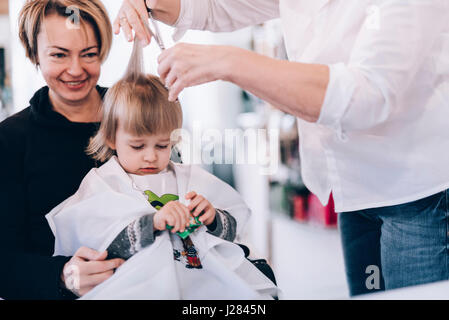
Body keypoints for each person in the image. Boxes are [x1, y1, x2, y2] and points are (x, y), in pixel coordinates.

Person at [115, 0, 449, 296]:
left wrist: (231, 63)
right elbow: (219, 6)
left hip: (417, 191)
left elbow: (370, 94)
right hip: (356, 190)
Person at [45, 43, 278, 299]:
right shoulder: (104, 183)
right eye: (137, 145)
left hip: (202, 278)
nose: (151, 156)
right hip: (139, 285)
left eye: (162, 144)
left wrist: (212, 217)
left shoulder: (190, 177)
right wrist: (153, 222)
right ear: (111, 138)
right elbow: (101, 248)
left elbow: (232, 232)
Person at [0, 0, 125, 300]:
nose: (75, 69)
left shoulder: (134, 117)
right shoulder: (11, 140)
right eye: (59, 54)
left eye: (89, 54)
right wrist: (62, 276)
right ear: (34, 54)